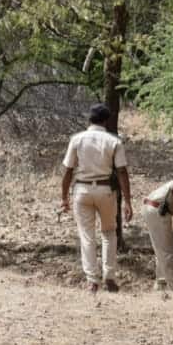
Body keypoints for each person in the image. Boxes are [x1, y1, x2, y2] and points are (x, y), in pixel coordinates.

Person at [60, 103, 133, 292]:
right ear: (106, 120)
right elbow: (122, 171)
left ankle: (92, 279)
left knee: (87, 235)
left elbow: (68, 171)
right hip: (105, 190)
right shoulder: (113, 141)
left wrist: (64, 197)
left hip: (82, 190)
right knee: (109, 233)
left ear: (89, 119)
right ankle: (109, 276)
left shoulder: (77, 140)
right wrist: (127, 200)